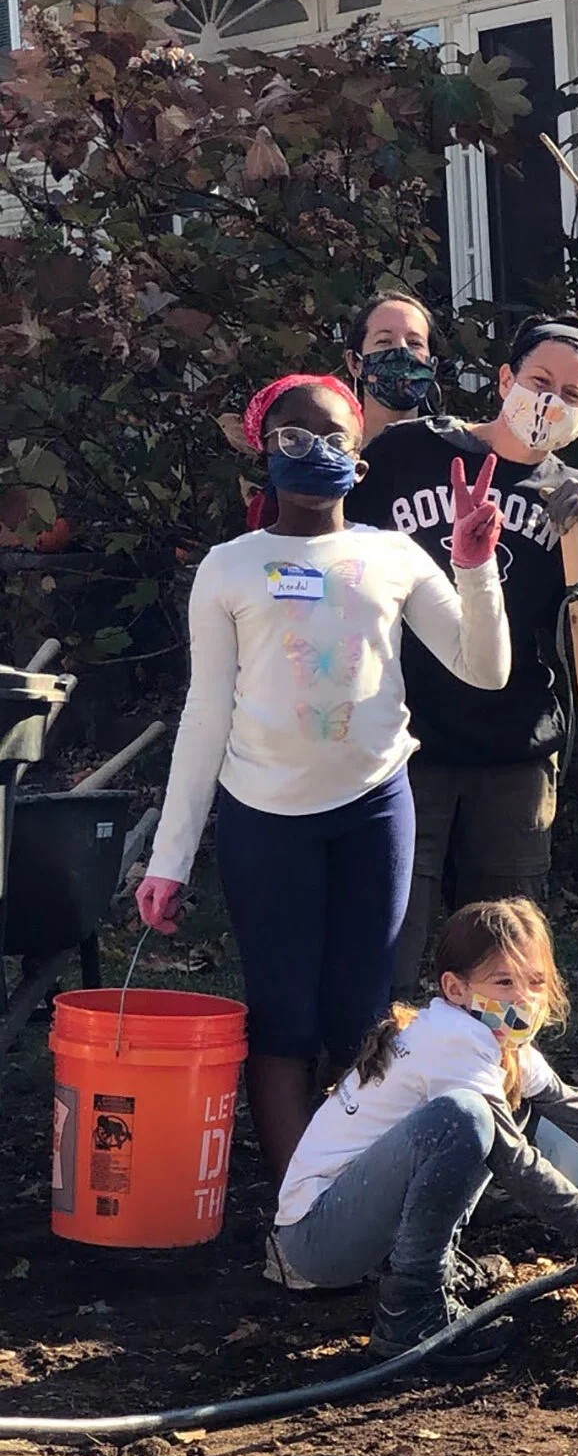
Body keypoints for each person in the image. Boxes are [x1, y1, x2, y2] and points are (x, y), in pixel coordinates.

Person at [136, 374, 510, 1181]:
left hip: (374, 806)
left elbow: (484, 669)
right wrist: (170, 858)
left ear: (360, 461)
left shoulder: (392, 554)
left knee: (362, 1015)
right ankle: (297, 1204)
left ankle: (355, 1193)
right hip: (263, 815)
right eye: (294, 437)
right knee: (282, 1017)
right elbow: (206, 712)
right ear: (265, 453)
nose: (315, 452)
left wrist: (474, 566)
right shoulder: (229, 567)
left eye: (335, 438)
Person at [269, 898, 578, 1364]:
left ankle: (431, 1275)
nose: (524, 998)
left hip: (349, 1224)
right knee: (468, 1120)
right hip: (319, 1239)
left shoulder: (494, 1040)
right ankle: (411, 1315)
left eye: (535, 983)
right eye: (503, 983)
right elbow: (516, 1163)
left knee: (489, 1117)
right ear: (455, 988)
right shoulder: (453, 1042)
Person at [346, 312, 578, 999]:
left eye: (571, 394)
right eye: (539, 381)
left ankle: (501, 1067)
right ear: (505, 380)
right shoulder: (411, 453)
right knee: (389, 936)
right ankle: (372, 1063)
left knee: (505, 949)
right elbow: (333, 547)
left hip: (513, 752)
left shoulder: (571, 503)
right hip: (403, 741)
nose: (549, 401)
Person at [346, 290, 442, 443]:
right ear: (355, 363)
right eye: (384, 341)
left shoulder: (456, 449)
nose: (402, 349)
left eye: (414, 343)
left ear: (433, 366)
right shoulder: (332, 452)